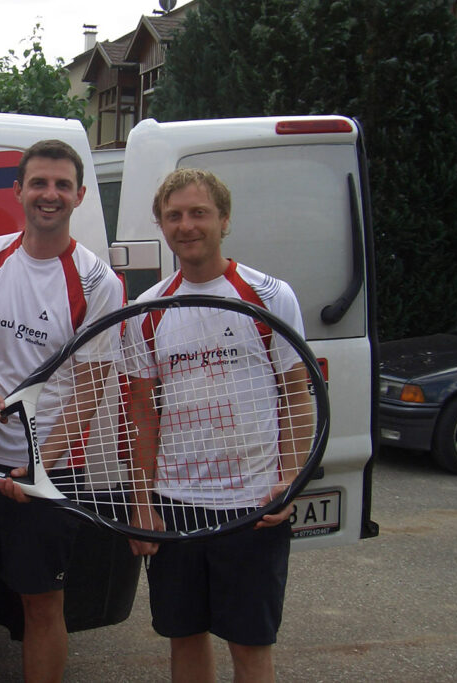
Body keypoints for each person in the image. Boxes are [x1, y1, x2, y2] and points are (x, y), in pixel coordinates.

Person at [0, 139, 124, 683]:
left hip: (48, 472)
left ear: (80, 195)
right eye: (39, 183)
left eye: (62, 185)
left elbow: (90, 389)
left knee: (40, 606)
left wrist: (40, 467)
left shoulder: (98, 283)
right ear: (17, 191)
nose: (50, 194)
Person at [124, 168, 306, 683]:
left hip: (255, 505)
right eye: (174, 215)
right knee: (185, 640)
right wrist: (143, 501)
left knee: (250, 647)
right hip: (175, 503)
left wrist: (288, 478)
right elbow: (142, 411)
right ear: (161, 224)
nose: (187, 225)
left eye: (199, 213)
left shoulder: (271, 296)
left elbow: (296, 394)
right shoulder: (146, 310)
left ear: (223, 219)